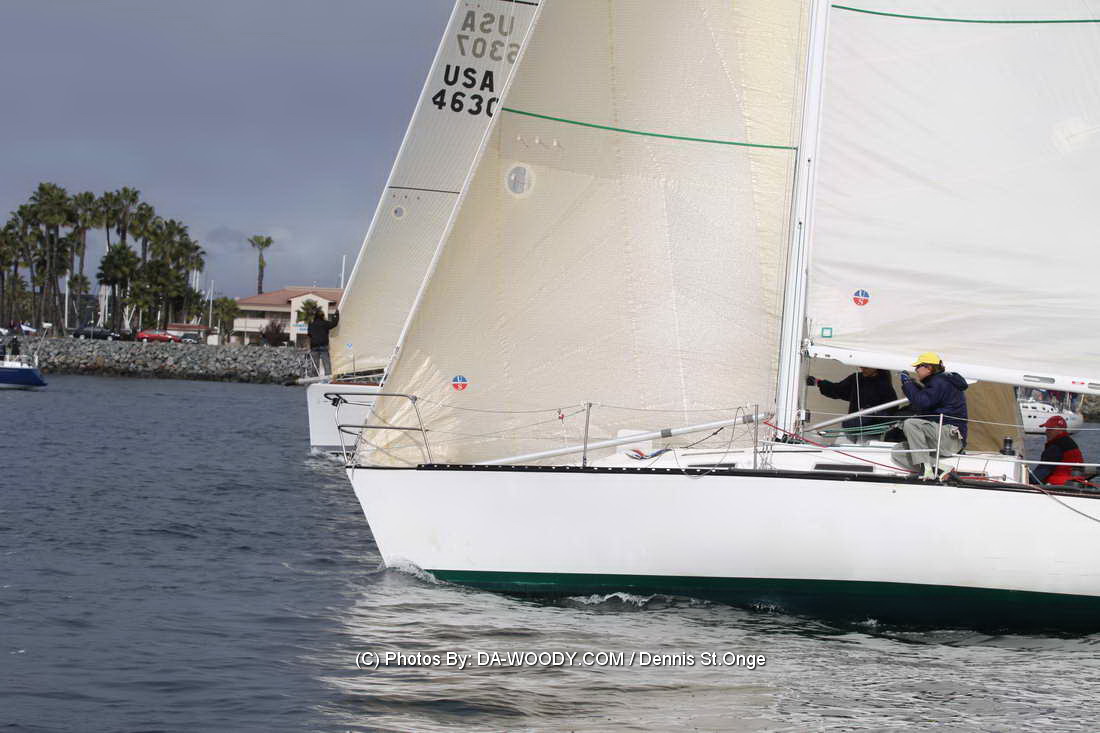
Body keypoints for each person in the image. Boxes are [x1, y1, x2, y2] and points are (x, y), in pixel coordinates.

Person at [891, 352, 969, 480]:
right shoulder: (938, 382)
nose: (916, 370)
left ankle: (926, 469)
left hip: (950, 437)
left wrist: (907, 383)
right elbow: (926, 403)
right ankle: (939, 467)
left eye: (918, 366)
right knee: (898, 451)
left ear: (928, 368)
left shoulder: (940, 382)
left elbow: (922, 402)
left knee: (911, 423)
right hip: (942, 437)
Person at [806, 367, 897, 433]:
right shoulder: (856, 378)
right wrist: (818, 382)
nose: (862, 368)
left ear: (876, 367)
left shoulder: (885, 385)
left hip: (871, 431)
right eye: (862, 365)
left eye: (866, 367)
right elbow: (838, 390)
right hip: (851, 427)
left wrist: (871, 412)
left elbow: (891, 410)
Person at [1033, 415, 1084, 486]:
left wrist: (1028, 480)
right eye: (1047, 429)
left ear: (1060, 430)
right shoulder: (1070, 443)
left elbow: (1042, 472)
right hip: (1076, 481)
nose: (1046, 432)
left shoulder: (1055, 447)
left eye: (1049, 429)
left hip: (1059, 484)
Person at [308, 308, 339, 376]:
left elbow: (309, 334)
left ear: (315, 316)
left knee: (315, 365)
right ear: (322, 316)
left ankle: (314, 379)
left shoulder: (311, 324)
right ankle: (327, 379)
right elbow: (334, 324)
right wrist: (336, 315)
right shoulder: (325, 323)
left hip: (314, 346)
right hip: (323, 345)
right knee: (326, 364)